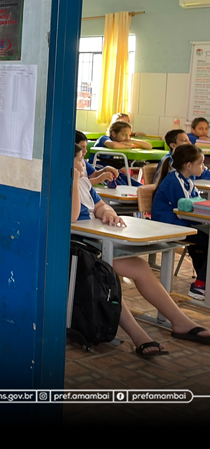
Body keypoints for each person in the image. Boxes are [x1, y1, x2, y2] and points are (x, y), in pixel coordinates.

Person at [72, 143, 210, 354]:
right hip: (78, 249)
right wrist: (73, 178)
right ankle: (139, 336)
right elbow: (72, 217)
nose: (84, 164)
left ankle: (181, 322)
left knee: (140, 267)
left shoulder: (83, 182)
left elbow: (99, 205)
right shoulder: (66, 182)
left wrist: (107, 211)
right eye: (80, 160)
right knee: (106, 278)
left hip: (97, 242)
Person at [153, 143, 208, 299]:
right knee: (206, 239)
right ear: (189, 165)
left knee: (204, 241)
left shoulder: (187, 180)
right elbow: (187, 209)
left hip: (181, 224)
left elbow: (194, 202)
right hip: (169, 226)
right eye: (201, 163)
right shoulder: (174, 181)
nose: (203, 167)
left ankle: (202, 282)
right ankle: (200, 285)